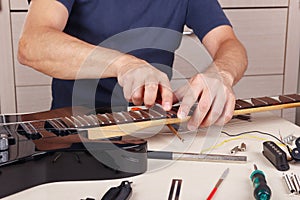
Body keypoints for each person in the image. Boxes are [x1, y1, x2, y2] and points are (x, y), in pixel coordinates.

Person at [18, 0, 247, 131]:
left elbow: (229, 44)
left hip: (150, 129)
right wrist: (124, 64)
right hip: (75, 128)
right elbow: (32, 44)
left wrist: (221, 74)